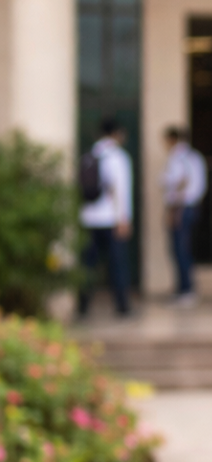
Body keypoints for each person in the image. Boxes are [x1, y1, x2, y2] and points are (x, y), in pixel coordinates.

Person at [78, 117, 132, 317]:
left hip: (88, 218)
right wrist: (123, 219)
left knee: (87, 266)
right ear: (117, 133)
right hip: (111, 219)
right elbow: (121, 190)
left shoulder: (90, 155)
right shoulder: (118, 157)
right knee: (117, 264)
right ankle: (122, 306)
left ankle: (83, 306)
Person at [161, 125, 208, 305]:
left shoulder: (178, 157)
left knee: (180, 249)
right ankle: (184, 288)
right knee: (183, 248)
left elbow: (179, 181)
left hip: (180, 207)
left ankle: (186, 290)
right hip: (191, 207)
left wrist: (174, 207)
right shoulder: (195, 157)